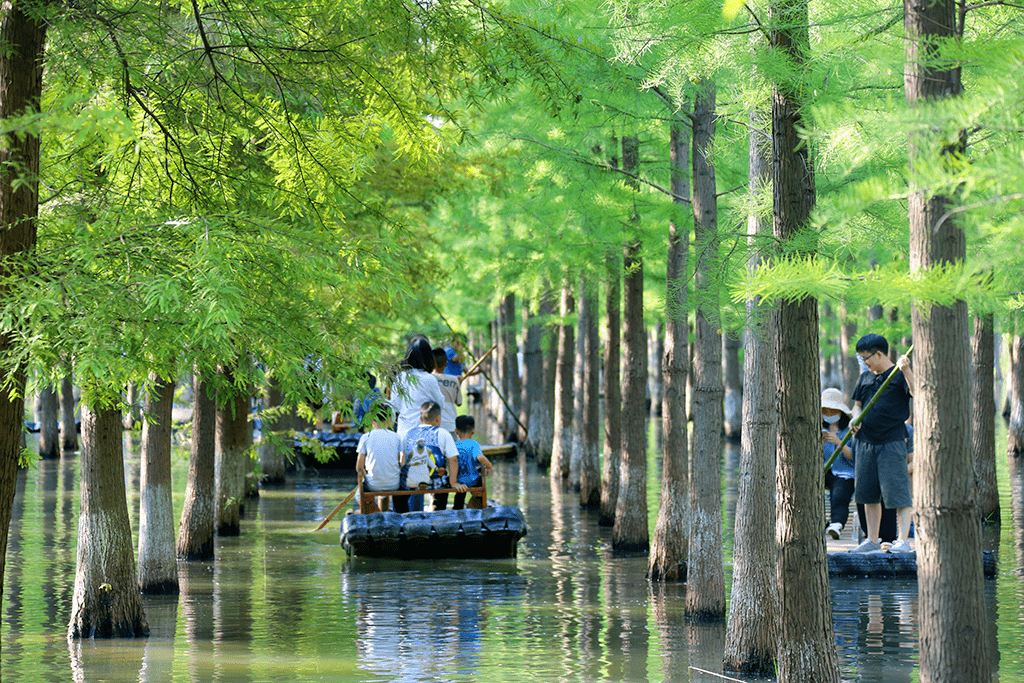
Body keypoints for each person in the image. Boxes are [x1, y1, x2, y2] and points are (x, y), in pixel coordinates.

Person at [849, 333, 915, 554]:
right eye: (860, 359)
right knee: (867, 492)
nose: (864, 363)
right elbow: (857, 404)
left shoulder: (897, 375)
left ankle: (903, 540)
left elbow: (917, 393)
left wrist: (906, 370)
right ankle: (872, 539)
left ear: (878, 354)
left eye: (865, 358)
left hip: (892, 440)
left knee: (898, 492)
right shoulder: (864, 378)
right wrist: (854, 417)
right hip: (865, 441)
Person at [401, 401, 464, 512]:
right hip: (435, 483)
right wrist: (453, 483)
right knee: (443, 479)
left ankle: (413, 513)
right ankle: (437, 511)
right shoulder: (443, 433)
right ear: (438, 418)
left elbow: (403, 460)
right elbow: (453, 459)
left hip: (411, 482)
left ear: (421, 418)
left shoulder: (408, 433)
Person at [391, 337, 445, 438]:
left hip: (403, 432)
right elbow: (440, 404)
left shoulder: (400, 378)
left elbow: (395, 406)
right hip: (424, 434)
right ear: (428, 357)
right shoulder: (429, 379)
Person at [821, 387, 855, 540]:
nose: (829, 415)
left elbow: (854, 456)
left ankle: (837, 524)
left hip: (845, 473)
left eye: (832, 411)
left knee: (840, 493)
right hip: (824, 471)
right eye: (825, 411)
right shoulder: (819, 429)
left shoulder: (849, 430)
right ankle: (820, 521)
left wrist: (839, 443)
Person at [355, 401, 400, 511]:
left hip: (374, 484)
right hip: (395, 484)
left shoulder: (366, 437)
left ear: (371, 419)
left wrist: (367, 477)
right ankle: (382, 513)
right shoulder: (397, 437)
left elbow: (359, 467)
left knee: (358, 495)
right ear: (390, 419)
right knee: (383, 490)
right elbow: (400, 462)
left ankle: (376, 513)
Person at [453, 415, 492, 510]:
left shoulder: (453, 445)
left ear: (456, 431)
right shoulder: (474, 444)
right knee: (481, 486)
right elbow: (480, 457)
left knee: (459, 495)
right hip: (473, 480)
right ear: (473, 431)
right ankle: (482, 506)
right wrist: (489, 465)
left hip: (458, 481)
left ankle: (457, 509)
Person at [432, 348, 462, 434]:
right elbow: (459, 403)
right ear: (446, 363)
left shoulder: (428, 379)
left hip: (434, 426)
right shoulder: (454, 380)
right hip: (451, 425)